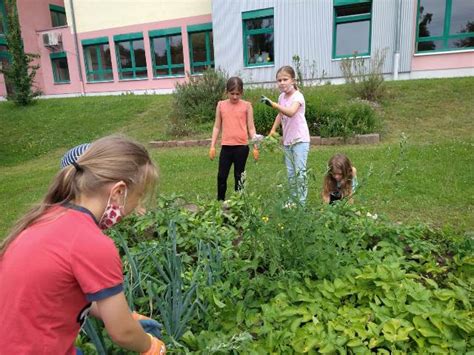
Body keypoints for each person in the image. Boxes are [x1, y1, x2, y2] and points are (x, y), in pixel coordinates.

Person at [0, 135, 166, 354]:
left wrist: (126, 315)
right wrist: (152, 347)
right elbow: (123, 334)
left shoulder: (47, 217)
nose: (138, 206)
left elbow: (62, 293)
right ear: (118, 192)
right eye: (139, 196)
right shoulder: (91, 242)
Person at [262, 65, 311, 205]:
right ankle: (292, 200)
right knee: (290, 173)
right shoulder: (281, 97)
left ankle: (301, 203)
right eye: (279, 80)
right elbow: (281, 114)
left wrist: (273, 105)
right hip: (288, 141)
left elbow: (290, 112)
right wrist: (273, 130)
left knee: (300, 172)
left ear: (293, 81)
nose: (282, 83)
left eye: (285, 79)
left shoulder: (298, 96)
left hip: (300, 140)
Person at [209, 76, 259, 201]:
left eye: (238, 94)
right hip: (226, 147)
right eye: (232, 93)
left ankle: (239, 202)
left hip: (241, 148)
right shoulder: (221, 105)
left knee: (239, 176)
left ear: (242, 92)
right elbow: (216, 126)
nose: (235, 97)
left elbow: (251, 128)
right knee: (221, 176)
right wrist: (212, 146)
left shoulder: (247, 106)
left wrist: (255, 146)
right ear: (227, 92)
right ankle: (220, 202)